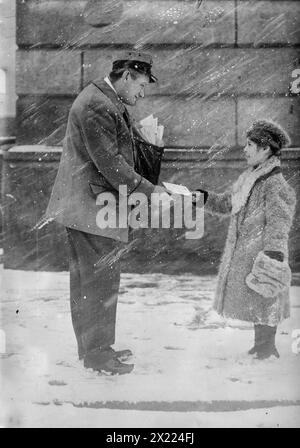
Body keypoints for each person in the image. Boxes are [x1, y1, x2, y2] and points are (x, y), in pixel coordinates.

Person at [45, 51, 169, 374]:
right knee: (100, 282)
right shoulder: (99, 104)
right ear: (126, 76)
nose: (142, 94)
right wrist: (150, 190)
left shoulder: (102, 98)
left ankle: (94, 350)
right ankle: (98, 355)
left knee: (89, 282)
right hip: (92, 207)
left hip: (87, 205)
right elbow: (110, 164)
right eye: (141, 85)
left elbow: (113, 154)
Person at [194, 120, 296, 359]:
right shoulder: (252, 177)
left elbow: (279, 220)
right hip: (250, 250)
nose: (245, 149)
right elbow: (230, 203)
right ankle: (261, 345)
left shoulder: (273, 183)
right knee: (258, 296)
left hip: (263, 252)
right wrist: (204, 198)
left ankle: (267, 347)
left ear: (265, 149)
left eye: (250, 145)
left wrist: (273, 253)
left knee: (266, 293)